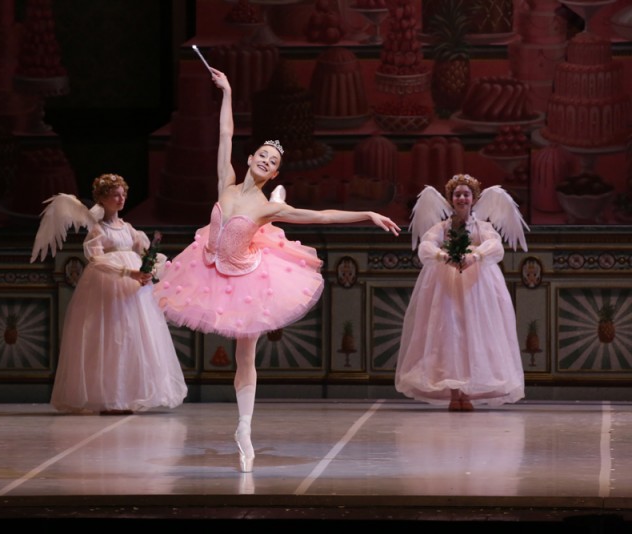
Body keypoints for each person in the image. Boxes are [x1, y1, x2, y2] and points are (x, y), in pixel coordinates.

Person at [152, 68, 401, 473]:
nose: (265, 161)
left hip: (247, 275)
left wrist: (367, 213)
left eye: (273, 163)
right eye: (262, 155)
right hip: (207, 266)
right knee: (222, 344)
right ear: (251, 160)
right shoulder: (226, 184)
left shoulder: (269, 206)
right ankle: (242, 427)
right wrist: (230, 91)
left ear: (273, 174)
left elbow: (321, 217)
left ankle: (244, 428)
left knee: (245, 354)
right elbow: (225, 135)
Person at [33, 173, 187, 415]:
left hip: (133, 292)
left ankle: (129, 394)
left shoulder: (129, 229)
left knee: (132, 336)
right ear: (103, 198)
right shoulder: (98, 230)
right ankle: (109, 396)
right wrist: (128, 272)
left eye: (123, 193)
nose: (121, 198)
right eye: (116, 194)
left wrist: (151, 270)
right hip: (107, 287)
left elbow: (148, 254)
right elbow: (95, 260)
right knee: (110, 336)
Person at [394, 174, 527, 412]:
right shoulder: (443, 227)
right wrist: (443, 256)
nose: (462, 198)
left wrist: (475, 255)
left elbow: (494, 245)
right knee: (449, 334)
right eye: (457, 194)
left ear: (473, 198)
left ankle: (468, 392)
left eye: (466, 194)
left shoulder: (482, 227)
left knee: (474, 333)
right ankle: (455, 393)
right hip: (446, 284)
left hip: (477, 286)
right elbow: (426, 245)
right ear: (451, 198)